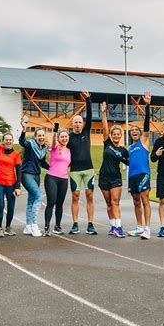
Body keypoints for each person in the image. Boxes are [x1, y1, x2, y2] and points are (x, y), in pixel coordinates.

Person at [68, 91, 97, 235]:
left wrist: (88, 100)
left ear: (83, 123)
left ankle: (90, 224)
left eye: (80, 122)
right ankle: (75, 224)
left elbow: (90, 115)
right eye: (76, 122)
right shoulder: (69, 137)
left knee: (90, 195)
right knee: (75, 196)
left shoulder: (86, 132)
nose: (78, 124)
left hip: (89, 170)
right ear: (72, 124)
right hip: (74, 171)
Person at [99, 101, 129, 237]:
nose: (116, 136)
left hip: (116, 178)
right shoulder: (107, 144)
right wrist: (104, 113)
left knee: (115, 202)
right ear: (111, 135)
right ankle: (112, 226)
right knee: (108, 203)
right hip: (103, 177)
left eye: (118, 134)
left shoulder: (123, 151)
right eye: (114, 134)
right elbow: (104, 127)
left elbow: (130, 162)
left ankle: (119, 227)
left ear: (121, 136)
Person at [19, 115, 49, 237]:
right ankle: (34, 225)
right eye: (39, 135)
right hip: (27, 174)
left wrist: (55, 168)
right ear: (35, 137)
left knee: (31, 201)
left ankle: (27, 226)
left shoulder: (43, 149)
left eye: (43, 135)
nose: (41, 137)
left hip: (36, 176)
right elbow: (22, 142)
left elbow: (42, 163)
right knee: (38, 197)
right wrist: (24, 129)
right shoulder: (30, 145)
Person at [127, 92, 152, 240]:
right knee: (136, 202)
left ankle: (147, 229)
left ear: (141, 133)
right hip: (132, 176)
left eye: (136, 131)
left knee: (145, 201)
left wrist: (147, 105)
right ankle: (139, 227)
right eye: (132, 131)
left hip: (143, 174)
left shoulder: (144, 141)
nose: (134, 132)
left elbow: (147, 125)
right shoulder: (130, 147)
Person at [0, 132, 22, 238]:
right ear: (3, 141)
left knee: (11, 207)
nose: (8, 141)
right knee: (1, 205)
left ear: (12, 141)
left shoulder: (16, 155)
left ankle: (8, 227)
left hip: (11, 184)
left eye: (10, 139)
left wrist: (18, 186)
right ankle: (0, 228)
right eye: (6, 139)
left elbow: (18, 171)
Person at [44, 124, 71, 236]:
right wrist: (55, 132)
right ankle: (46, 227)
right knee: (51, 202)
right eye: (62, 137)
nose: (64, 139)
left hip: (64, 179)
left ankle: (57, 226)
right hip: (52, 178)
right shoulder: (54, 147)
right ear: (59, 138)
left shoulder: (69, 150)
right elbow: (53, 141)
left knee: (60, 204)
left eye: (66, 137)